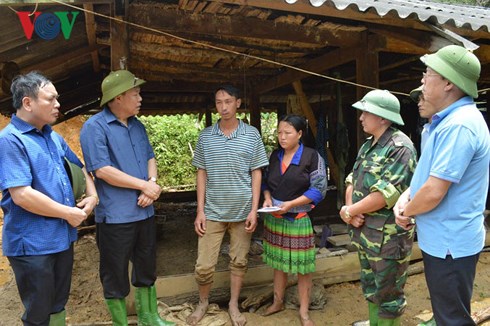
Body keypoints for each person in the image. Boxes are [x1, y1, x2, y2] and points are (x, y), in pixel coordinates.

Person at [394, 45, 490, 326]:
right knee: (446, 314)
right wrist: (407, 197)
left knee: (452, 319)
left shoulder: (459, 126)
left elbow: (435, 191)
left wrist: (406, 211)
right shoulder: (443, 123)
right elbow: (427, 177)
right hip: (443, 239)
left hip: (450, 242)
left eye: (428, 74)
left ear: (448, 83)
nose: (422, 81)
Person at [0, 71, 98, 326]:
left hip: (61, 238)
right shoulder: (11, 140)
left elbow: (81, 167)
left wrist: (93, 195)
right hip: (32, 243)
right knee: (38, 311)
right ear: (28, 102)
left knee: (57, 302)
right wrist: (67, 213)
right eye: (51, 99)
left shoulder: (53, 136)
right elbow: (21, 195)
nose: (58, 104)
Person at [80, 70, 175, 326]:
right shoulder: (94, 127)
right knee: (115, 273)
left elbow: (149, 157)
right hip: (115, 215)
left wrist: (152, 184)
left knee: (146, 266)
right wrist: (144, 185)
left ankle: (149, 318)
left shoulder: (136, 124)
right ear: (118, 97)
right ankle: (121, 323)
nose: (140, 98)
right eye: (136, 93)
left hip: (144, 211)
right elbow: (102, 170)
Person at [186, 85, 269, 326]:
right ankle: (203, 302)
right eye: (219, 102)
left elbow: (256, 173)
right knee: (203, 266)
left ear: (238, 103)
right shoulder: (206, 136)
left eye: (228, 101)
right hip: (212, 211)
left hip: (243, 211)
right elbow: (201, 173)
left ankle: (233, 304)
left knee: (239, 260)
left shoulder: (251, 135)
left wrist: (254, 209)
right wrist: (199, 211)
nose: (223, 107)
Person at [340, 89, 417, 326]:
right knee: (371, 287)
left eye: (366, 112)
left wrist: (351, 211)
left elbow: (385, 195)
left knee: (389, 296)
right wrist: (349, 209)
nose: (361, 117)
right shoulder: (367, 145)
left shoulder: (401, 147)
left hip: (388, 238)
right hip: (366, 233)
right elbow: (352, 178)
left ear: (383, 117)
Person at [260, 114, 327, 326]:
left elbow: (319, 190)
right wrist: (268, 198)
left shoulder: (312, 156)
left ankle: (304, 311)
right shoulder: (275, 156)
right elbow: (265, 182)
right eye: (279, 132)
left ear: (299, 134)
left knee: (303, 268)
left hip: (297, 218)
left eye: (287, 133)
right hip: (274, 218)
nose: (282, 137)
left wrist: (290, 205)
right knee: (278, 264)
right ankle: (277, 302)